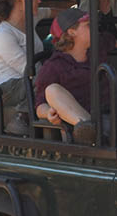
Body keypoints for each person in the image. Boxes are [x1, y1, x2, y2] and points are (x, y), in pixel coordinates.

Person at [34, 8, 111, 146]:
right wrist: (49, 113)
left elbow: (114, 42)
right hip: (76, 129)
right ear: (71, 32)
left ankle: (96, 131)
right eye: (88, 25)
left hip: (110, 118)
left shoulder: (98, 49)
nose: (94, 28)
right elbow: (40, 105)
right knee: (52, 90)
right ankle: (90, 129)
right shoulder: (53, 66)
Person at [0, 0, 45, 133]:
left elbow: (51, 12)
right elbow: (28, 70)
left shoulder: (31, 20)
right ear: (20, 1)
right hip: (7, 90)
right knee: (44, 81)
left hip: (31, 80)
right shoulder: (2, 35)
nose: (39, 1)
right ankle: (22, 117)